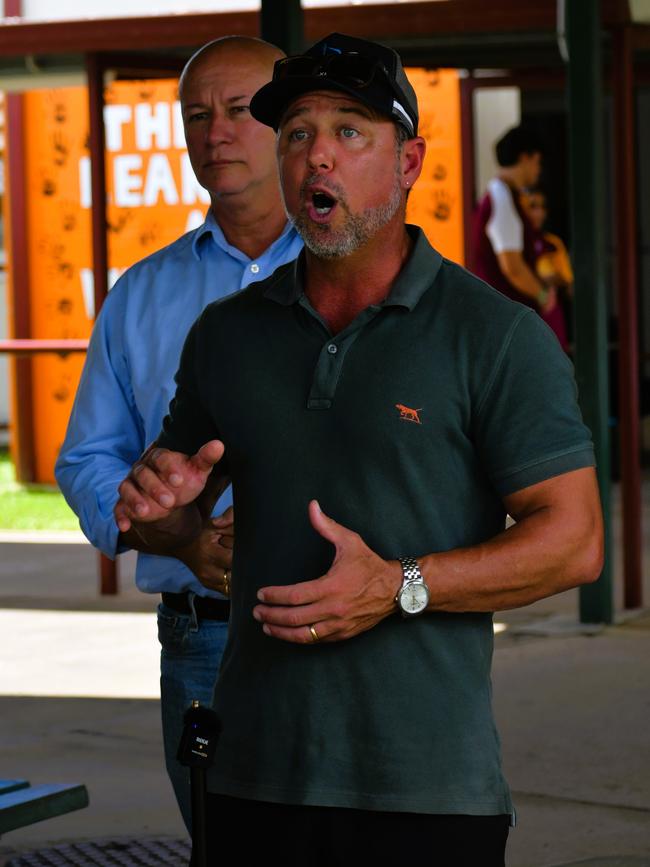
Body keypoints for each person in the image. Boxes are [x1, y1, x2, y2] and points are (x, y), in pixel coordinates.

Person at [114, 33, 603, 865]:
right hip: (248, 777)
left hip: (424, 788)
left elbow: (574, 541)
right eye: (297, 133)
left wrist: (398, 587)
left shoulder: (495, 337)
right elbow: (171, 513)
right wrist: (162, 514)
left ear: (409, 161)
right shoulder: (228, 335)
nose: (316, 159)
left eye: (350, 131)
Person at [54, 35, 303, 832]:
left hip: (357, 630)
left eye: (239, 110)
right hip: (204, 641)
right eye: (197, 115)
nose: (215, 132)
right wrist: (174, 534)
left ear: (290, 124)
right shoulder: (143, 293)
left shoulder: (359, 273)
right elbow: (89, 455)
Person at [471, 126, 566, 341]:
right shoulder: (502, 199)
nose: (538, 170)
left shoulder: (502, 196)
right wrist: (543, 295)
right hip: (507, 319)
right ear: (526, 158)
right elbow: (512, 266)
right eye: (537, 162)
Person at [521, 187, 574, 351]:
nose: (538, 213)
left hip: (550, 310)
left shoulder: (552, 243)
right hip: (522, 310)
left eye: (542, 207)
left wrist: (552, 279)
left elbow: (569, 285)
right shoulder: (514, 246)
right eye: (532, 206)